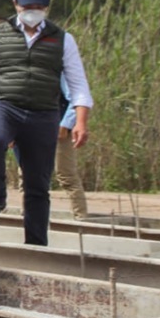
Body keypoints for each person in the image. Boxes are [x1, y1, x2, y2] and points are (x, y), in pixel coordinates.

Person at [0, 0, 92, 245]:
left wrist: (80, 121)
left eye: (38, 6)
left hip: (43, 113)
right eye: (27, 5)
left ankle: (36, 244)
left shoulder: (63, 39)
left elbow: (78, 85)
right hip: (3, 105)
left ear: (46, 7)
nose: (32, 10)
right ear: (15, 4)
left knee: (37, 184)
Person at [54, 75, 89, 220]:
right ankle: (29, 215)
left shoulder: (62, 70)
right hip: (33, 126)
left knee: (66, 174)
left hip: (59, 127)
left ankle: (80, 217)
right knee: (26, 175)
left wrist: (66, 124)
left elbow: (76, 98)